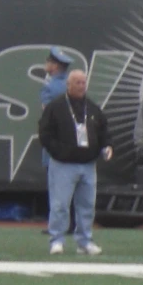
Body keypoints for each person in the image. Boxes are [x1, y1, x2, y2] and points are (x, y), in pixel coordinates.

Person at [39, 68, 111, 255]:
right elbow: (45, 133)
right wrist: (58, 151)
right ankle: (57, 240)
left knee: (87, 205)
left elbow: (104, 131)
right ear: (68, 85)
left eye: (83, 82)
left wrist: (106, 146)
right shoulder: (56, 107)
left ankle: (84, 241)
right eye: (77, 82)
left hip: (88, 164)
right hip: (63, 164)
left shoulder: (92, 108)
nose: (81, 86)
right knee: (60, 204)